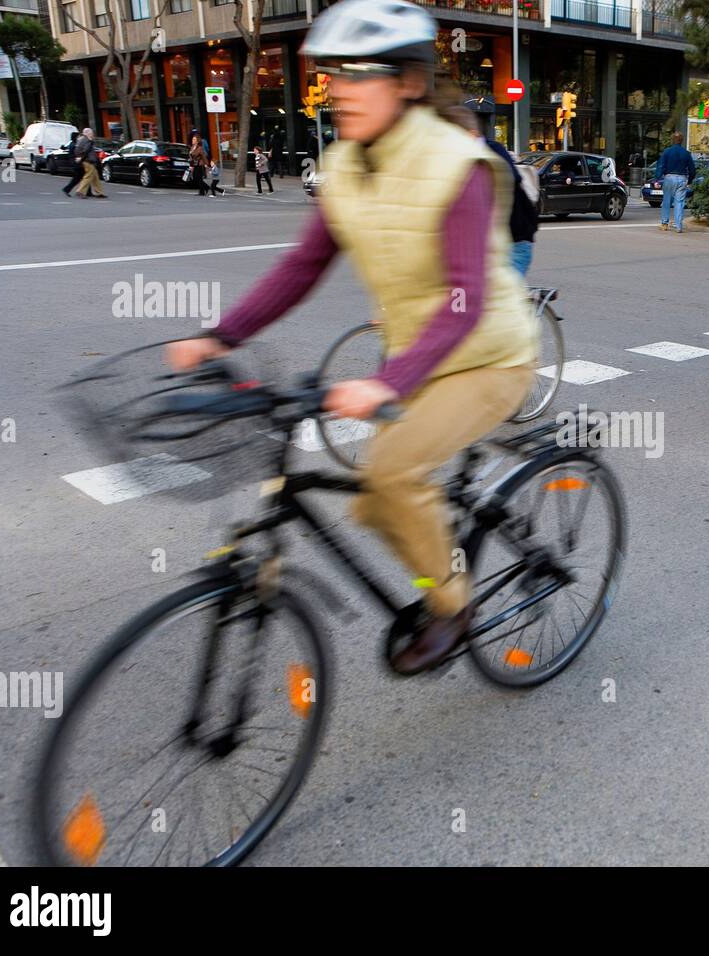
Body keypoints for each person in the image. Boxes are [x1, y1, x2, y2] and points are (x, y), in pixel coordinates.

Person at [165, 0, 537, 675]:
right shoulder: (342, 165)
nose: (340, 88)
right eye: (335, 73)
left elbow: (463, 300)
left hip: (490, 354)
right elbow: (304, 264)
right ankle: (434, 573)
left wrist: (385, 383)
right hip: (419, 357)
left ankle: (451, 604)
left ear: (410, 82)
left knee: (390, 473)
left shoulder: (458, 164)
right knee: (377, 498)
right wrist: (221, 335)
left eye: (361, 72)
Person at [452, 98, 539, 277]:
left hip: (514, 241)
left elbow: (507, 181)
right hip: (486, 244)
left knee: (500, 299)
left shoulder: (493, 151)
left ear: (471, 134)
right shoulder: (462, 158)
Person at [654, 131, 695, 233]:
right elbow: (692, 169)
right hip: (682, 178)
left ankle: (664, 223)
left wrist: (657, 178)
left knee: (667, 201)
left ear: (673, 140)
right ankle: (678, 226)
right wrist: (689, 180)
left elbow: (661, 165)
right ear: (681, 141)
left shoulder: (667, 152)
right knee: (679, 202)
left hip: (669, 178)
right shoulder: (686, 153)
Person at [72, 129, 108, 199]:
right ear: (87, 133)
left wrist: (80, 157)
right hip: (88, 161)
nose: (92, 134)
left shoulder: (82, 140)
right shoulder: (86, 140)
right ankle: (80, 191)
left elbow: (78, 150)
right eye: (91, 133)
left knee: (95, 177)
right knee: (88, 177)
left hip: (87, 160)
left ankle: (99, 192)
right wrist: (82, 158)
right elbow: (86, 151)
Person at [61, 129, 89, 196]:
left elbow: (65, 148)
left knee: (82, 177)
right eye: (78, 136)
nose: (79, 137)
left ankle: (87, 191)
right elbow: (78, 153)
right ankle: (67, 189)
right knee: (82, 177)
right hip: (77, 163)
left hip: (74, 162)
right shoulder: (75, 145)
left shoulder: (71, 144)